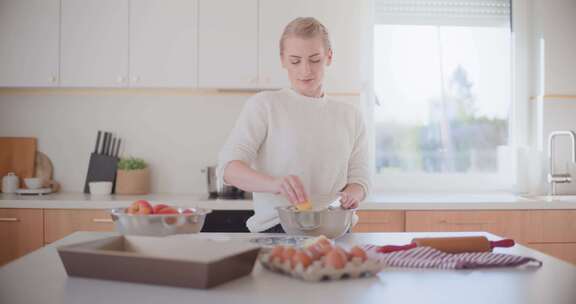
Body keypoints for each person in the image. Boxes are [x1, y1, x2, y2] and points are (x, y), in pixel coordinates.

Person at [217, 17, 370, 233]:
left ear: (329, 57)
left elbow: (360, 180)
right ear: (283, 60)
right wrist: (275, 184)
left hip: (336, 231)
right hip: (277, 230)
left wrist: (352, 195)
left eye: (315, 59)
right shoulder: (264, 105)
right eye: (295, 60)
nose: (305, 70)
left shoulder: (351, 116)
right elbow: (228, 168)